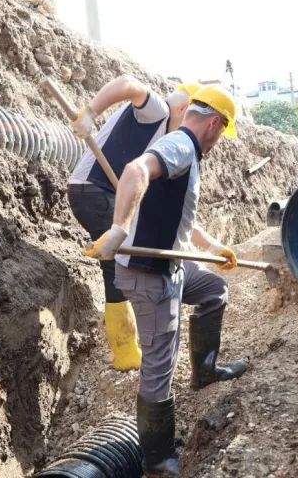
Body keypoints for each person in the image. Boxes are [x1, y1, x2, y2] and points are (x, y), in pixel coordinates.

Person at [83, 84, 245, 477]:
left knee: (214, 289)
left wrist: (215, 247)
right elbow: (135, 170)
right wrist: (119, 228)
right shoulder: (181, 145)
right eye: (222, 133)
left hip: (171, 266)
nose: (218, 142)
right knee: (160, 364)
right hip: (150, 274)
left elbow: (182, 213)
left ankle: (205, 369)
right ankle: (157, 458)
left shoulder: (185, 151)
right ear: (214, 123)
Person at [67, 74, 200, 371]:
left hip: (97, 193)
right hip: (94, 191)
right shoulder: (158, 111)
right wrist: (90, 112)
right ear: (183, 109)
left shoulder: (161, 139)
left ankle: (128, 346)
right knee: (117, 266)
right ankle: (126, 350)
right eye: (189, 122)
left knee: (117, 263)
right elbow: (128, 83)